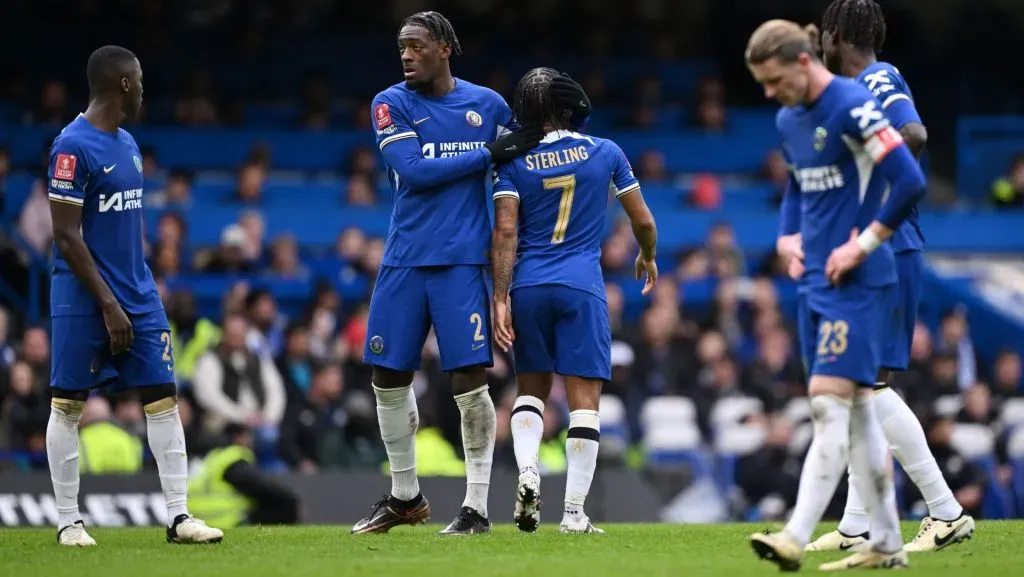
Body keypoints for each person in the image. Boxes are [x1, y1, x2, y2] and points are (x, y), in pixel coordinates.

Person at [353, 11, 592, 536]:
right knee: (387, 376)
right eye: (401, 48)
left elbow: (527, 156)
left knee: (468, 379)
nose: (407, 55)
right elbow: (413, 171)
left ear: (444, 46)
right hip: (404, 260)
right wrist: (487, 152)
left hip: (462, 262)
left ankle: (476, 507)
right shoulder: (390, 103)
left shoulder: (488, 105)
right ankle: (404, 495)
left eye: (416, 46)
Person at [745, 20, 927, 571]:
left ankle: (796, 535)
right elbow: (797, 185)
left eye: (775, 80)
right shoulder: (787, 118)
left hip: (861, 279)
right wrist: (787, 236)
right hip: (816, 280)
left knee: (828, 405)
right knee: (858, 415)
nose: (769, 94)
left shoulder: (855, 104)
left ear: (804, 62)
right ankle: (889, 545)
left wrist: (866, 243)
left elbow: (910, 180)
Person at [799, 0, 976, 554]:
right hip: (879, 249)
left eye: (824, 35)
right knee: (860, 387)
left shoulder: (879, 76)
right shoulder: (855, 92)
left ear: (834, 35)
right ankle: (856, 523)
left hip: (889, 246)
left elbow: (914, 134)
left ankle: (944, 510)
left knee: (865, 389)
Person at [45, 45, 223, 546]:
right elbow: (65, 234)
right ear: (123, 83)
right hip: (84, 297)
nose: (144, 88)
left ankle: (179, 517)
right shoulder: (70, 147)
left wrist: (133, 293)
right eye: (139, 79)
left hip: (139, 294)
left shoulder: (128, 144)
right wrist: (106, 303)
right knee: (69, 404)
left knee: (163, 398)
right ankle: (67, 521)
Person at [490, 68, 658, 534]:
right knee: (584, 404)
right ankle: (573, 514)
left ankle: (527, 473)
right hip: (581, 285)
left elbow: (504, 231)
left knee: (531, 393)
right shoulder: (605, 151)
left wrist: (500, 297)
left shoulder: (513, 162)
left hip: (528, 285)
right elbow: (642, 219)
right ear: (569, 108)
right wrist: (647, 254)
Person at [188, 425, 300, 528]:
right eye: (248, 437)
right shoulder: (232, 458)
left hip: (197, 520)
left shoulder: (211, 458)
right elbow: (262, 486)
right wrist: (291, 498)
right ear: (239, 438)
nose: (251, 442)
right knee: (285, 503)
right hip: (225, 521)